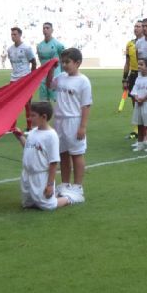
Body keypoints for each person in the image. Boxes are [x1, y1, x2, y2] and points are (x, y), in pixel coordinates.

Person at [10, 101, 70, 210]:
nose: (29, 118)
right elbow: (28, 146)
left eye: (33, 115)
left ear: (44, 117)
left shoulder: (51, 136)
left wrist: (50, 184)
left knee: (47, 206)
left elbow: (53, 162)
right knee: (28, 204)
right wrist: (19, 136)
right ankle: (52, 196)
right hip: (27, 174)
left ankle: (69, 198)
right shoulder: (33, 132)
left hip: (41, 176)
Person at [52, 48, 92, 204]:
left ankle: (78, 186)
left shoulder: (83, 81)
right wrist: (50, 70)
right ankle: (65, 183)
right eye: (63, 62)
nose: (64, 65)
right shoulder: (61, 77)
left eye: (67, 62)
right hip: (59, 120)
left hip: (74, 120)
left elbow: (86, 105)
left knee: (76, 153)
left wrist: (82, 126)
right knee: (62, 153)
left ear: (77, 63)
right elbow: (50, 85)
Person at [34, 22, 65, 103]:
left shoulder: (58, 45)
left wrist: (63, 74)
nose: (45, 30)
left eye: (47, 28)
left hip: (55, 75)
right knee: (43, 101)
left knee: (56, 100)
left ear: (52, 30)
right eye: (44, 28)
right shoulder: (39, 46)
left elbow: (63, 60)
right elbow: (41, 61)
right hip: (43, 76)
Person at [123, 21, 143, 142]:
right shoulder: (130, 44)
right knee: (135, 104)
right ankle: (136, 130)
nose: (136, 28)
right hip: (133, 75)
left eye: (138, 26)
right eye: (135, 26)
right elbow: (127, 63)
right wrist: (124, 78)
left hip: (144, 75)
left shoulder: (146, 43)